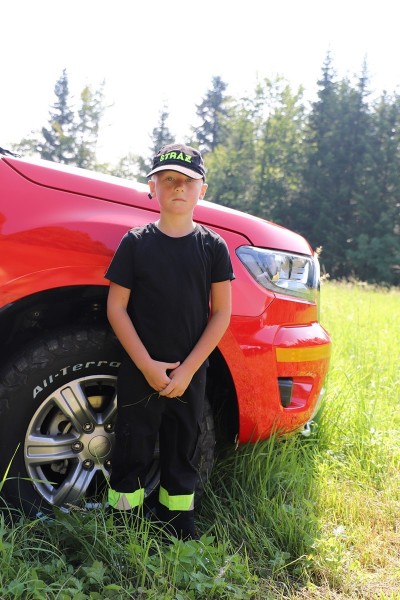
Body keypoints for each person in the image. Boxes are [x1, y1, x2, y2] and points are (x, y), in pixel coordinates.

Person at [105, 143, 234, 540]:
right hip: (138, 370)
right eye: (169, 180)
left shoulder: (213, 247)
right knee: (132, 446)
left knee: (183, 448)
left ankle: (178, 525)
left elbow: (221, 313)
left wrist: (188, 370)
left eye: (187, 181)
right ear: (152, 187)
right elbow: (116, 308)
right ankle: (123, 525)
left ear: (202, 191)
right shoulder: (135, 243)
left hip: (189, 374)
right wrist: (146, 365)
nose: (178, 187)